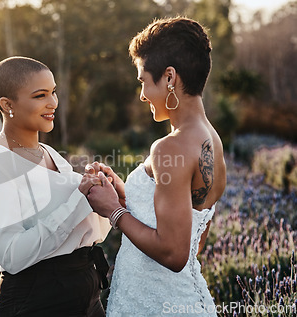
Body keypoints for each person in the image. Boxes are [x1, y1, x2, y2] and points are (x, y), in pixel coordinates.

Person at [84, 17, 227, 316]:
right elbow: (190, 238)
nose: (142, 94)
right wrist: (126, 198)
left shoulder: (169, 148)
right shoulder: (211, 140)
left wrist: (114, 212)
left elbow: (174, 254)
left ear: (170, 77)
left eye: (143, 81)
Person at [0, 56, 111, 317]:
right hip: (37, 301)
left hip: (86, 295)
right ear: (7, 104)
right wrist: (79, 200)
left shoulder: (51, 154)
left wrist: (104, 193)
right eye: (40, 95)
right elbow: (12, 256)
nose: (53, 102)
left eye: (53, 92)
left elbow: (85, 232)